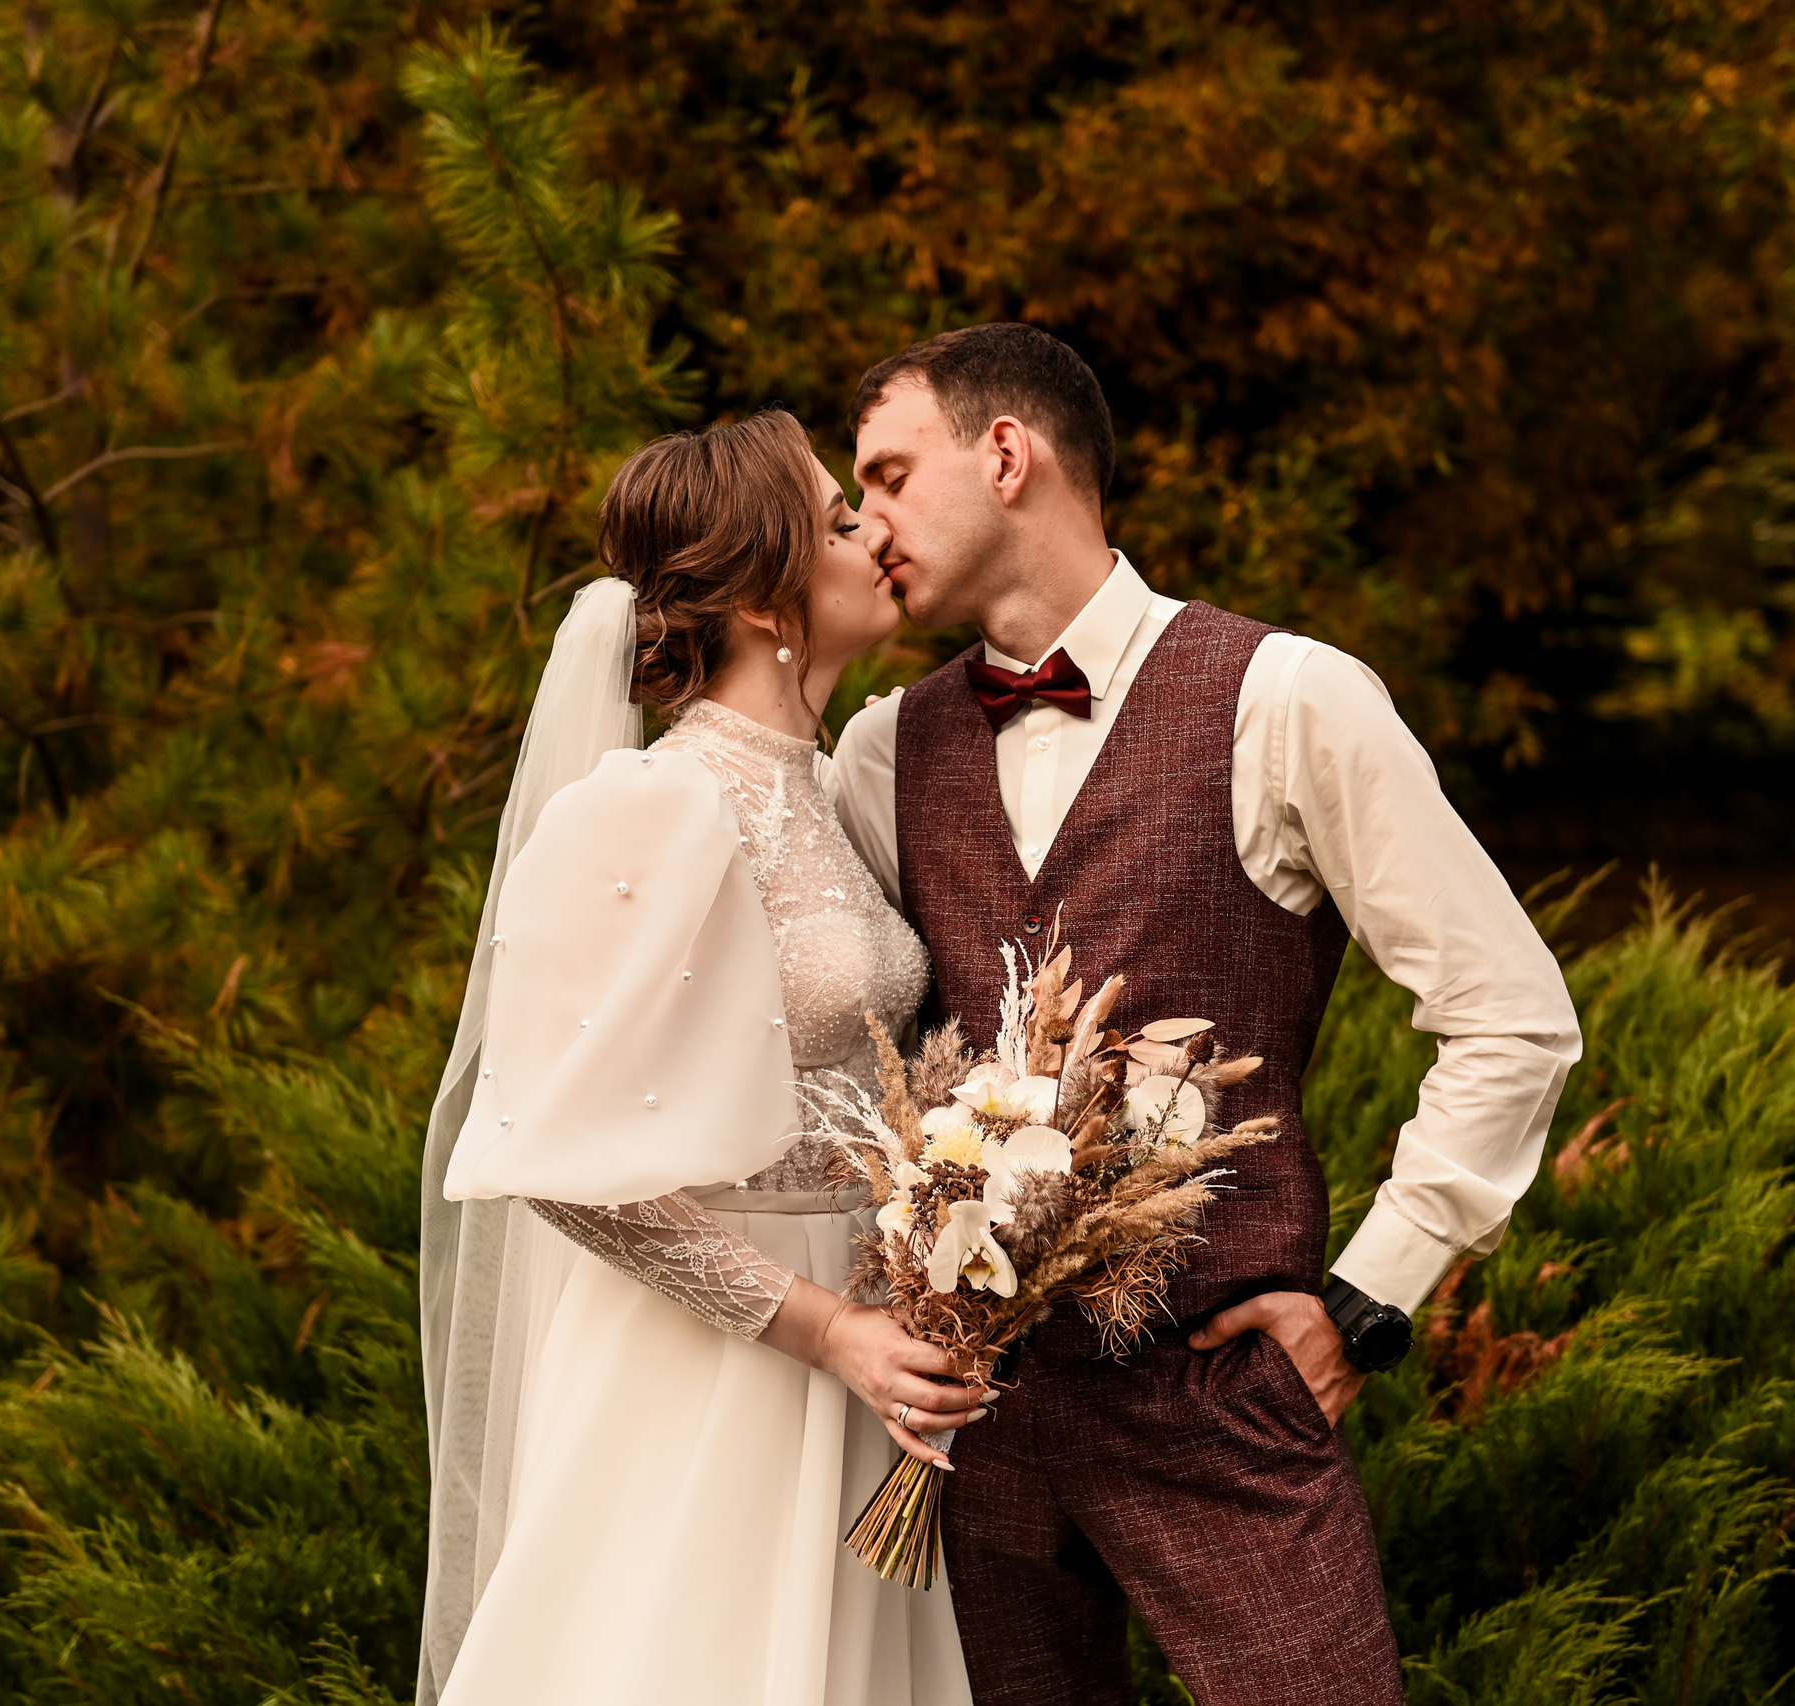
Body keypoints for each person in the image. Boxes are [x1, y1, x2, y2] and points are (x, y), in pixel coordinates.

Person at [829, 324, 1583, 1706]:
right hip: (979, 1436)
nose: (865, 525)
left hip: (1221, 1405)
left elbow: (1511, 1014)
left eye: (886, 474)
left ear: (1007, 454)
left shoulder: (1290, 699)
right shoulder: (884, 750)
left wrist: (1367, 1299)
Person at [417, 410, 983, 1706]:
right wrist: (825, 1326)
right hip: (719, 1356)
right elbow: (561, 1167)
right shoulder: (653, 804)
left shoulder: (833, 790)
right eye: (842, 517)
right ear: (760, 591)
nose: (876, 531)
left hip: (869, 1348)